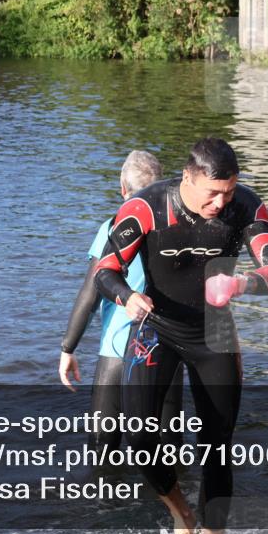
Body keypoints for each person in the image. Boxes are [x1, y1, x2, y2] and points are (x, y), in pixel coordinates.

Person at [95, 137, 268, 534]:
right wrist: (126, 296)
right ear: (188, 177)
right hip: (157, 329)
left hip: (213, 334)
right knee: (140, 439)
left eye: (229, 192)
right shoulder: (146, 206)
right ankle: (180, 512)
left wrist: (241, 282)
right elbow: (105, 270)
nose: (221, 203)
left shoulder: (247, 206)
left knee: (217, 450)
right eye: (213, 193)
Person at [60, 151, 183, 452]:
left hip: (117, 351)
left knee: (103, 452)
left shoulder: (113, 228)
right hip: (166, 349)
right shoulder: (179, 229)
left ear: (122, 189)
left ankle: (110, 499)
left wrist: (68, 348)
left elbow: (91, 293)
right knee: (170, 449)